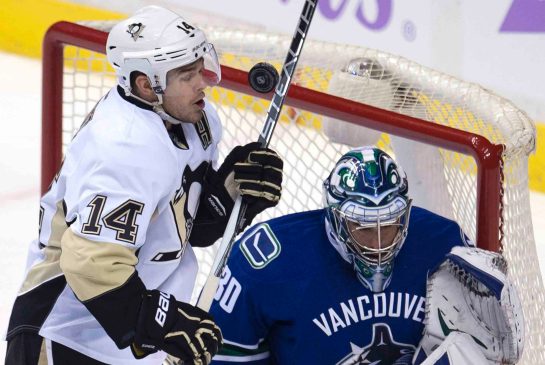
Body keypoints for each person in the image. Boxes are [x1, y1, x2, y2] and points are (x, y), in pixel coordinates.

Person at [4, 6, 283, 365]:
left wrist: (229, 191)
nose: (203, 82)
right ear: (145, 85)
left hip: (129, 334)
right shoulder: (124, 148)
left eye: (200, 67)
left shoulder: (194, 119)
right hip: (69, 334)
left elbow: (186, 229)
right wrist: (161, 321)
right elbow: (90, 263)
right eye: (187, 75)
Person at [208, 146, 523, 365]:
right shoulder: (266, 261)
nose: (379, 242)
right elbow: (229, 355)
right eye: (363, 227)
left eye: (389, 224)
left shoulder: (445, 244)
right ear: (334, 217)